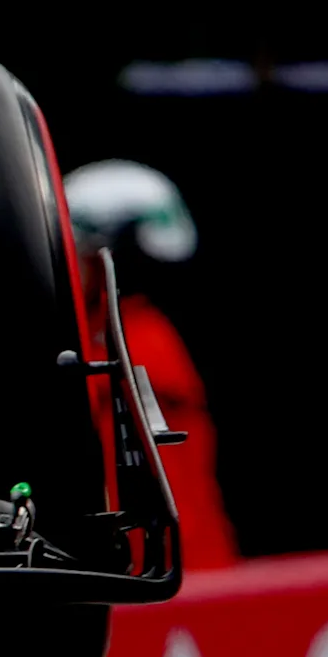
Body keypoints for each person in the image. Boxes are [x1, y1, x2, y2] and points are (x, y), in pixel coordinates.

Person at [65, 159, 240, 570]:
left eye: (79, 252)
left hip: (172, 591)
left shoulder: (136, 349)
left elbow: (169, 504)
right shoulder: (116, 342)